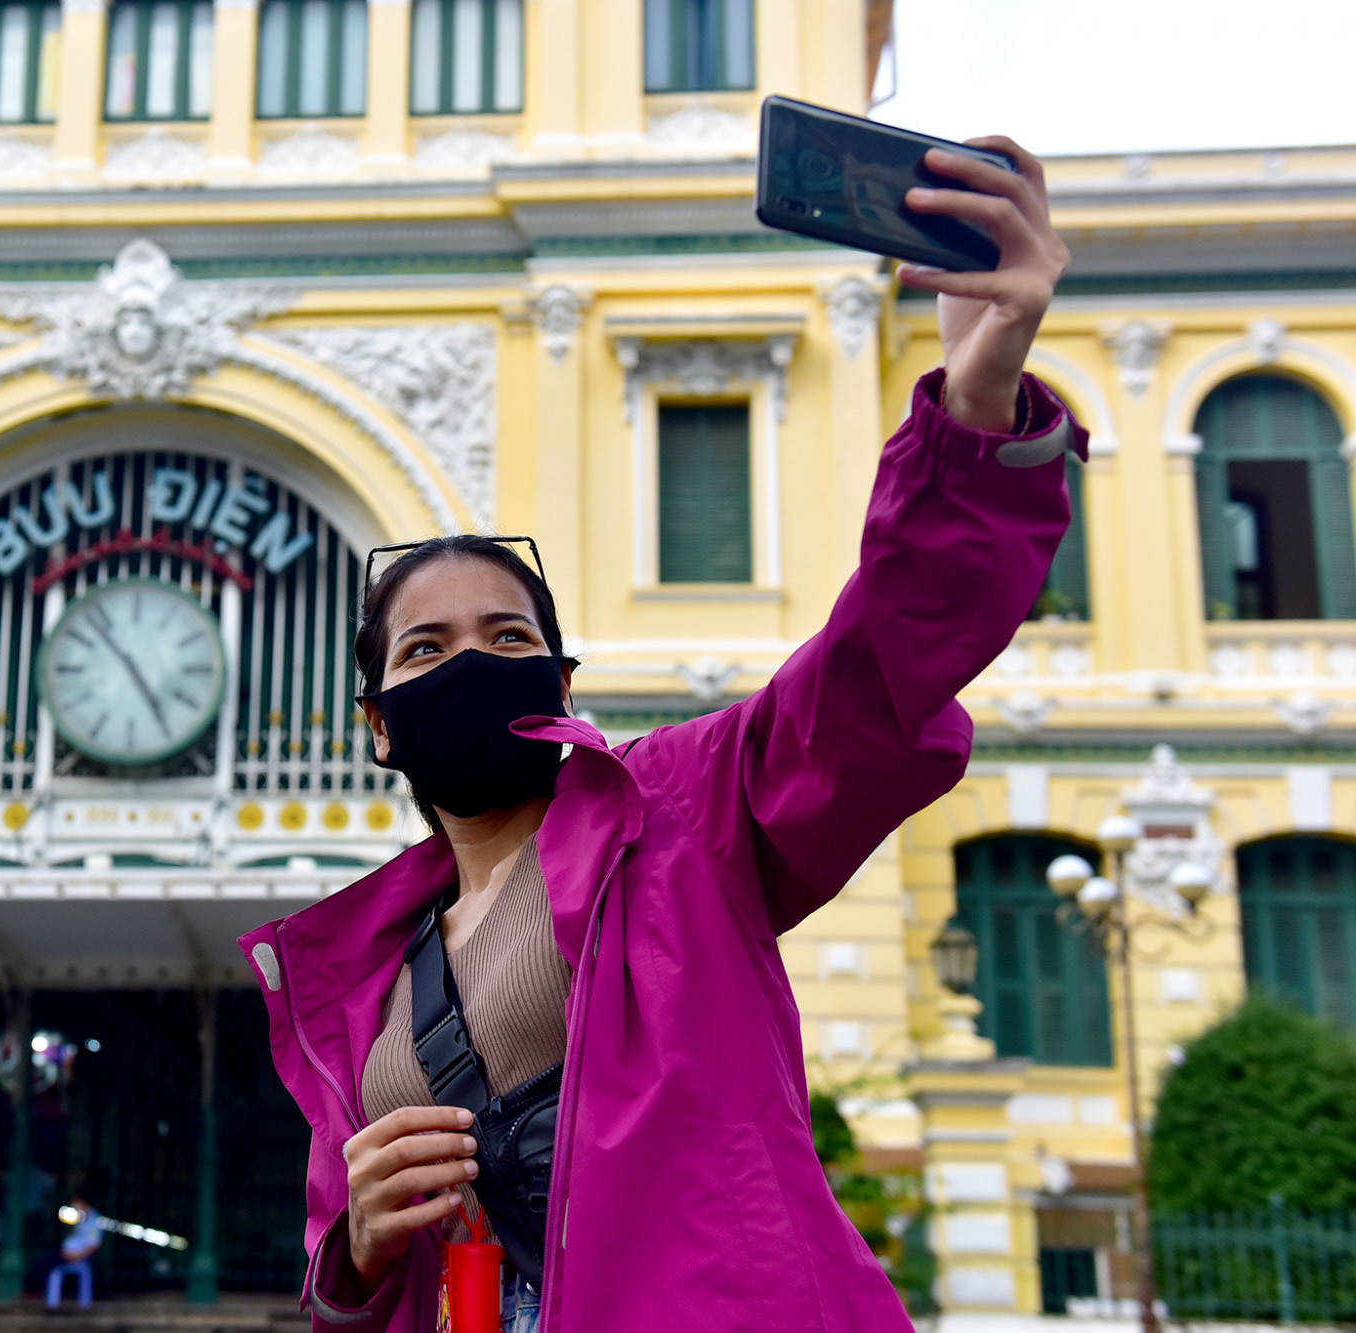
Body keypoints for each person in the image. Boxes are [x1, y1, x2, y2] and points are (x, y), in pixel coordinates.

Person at [239, 139, 1080, 1333]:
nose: (469, 661)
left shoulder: (677, 811)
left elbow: (883, 664)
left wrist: (975, 404)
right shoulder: (353, 974)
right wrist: (353, 1262)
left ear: (559, 677)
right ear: (376, 725)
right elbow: (357, 1273)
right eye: (423, 651)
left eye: (504, 633)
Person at [44, 1186, 102, 1311]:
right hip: (67, 1255)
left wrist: (76, 1256)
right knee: (48, 1266)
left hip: (77, 1258)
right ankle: (50, 1303)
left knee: (46, 1263)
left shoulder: (93, 1220)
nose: (73, 1204)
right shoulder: (80, 1218)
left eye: (76, 1201)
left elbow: (94, 1244)